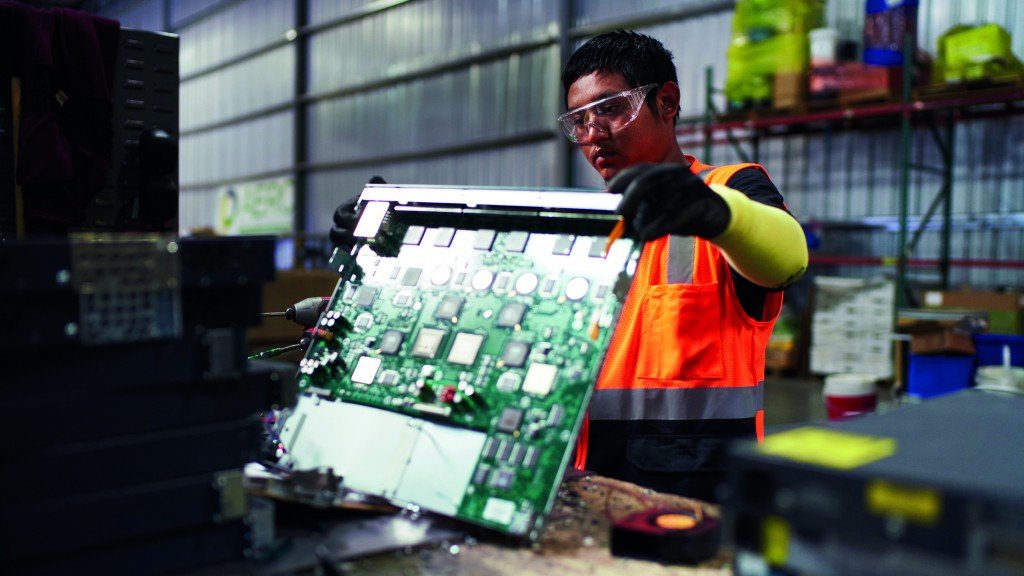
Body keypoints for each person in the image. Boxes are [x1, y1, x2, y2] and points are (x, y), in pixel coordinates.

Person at [559, 30, 807, 500]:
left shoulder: (732, 192)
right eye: (579, 120)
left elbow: (789, 260)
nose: (593, 134)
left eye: (610, 108)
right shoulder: (592, 229)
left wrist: (719, 214)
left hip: (693, 498)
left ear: (667, 102)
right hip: (584, 484)